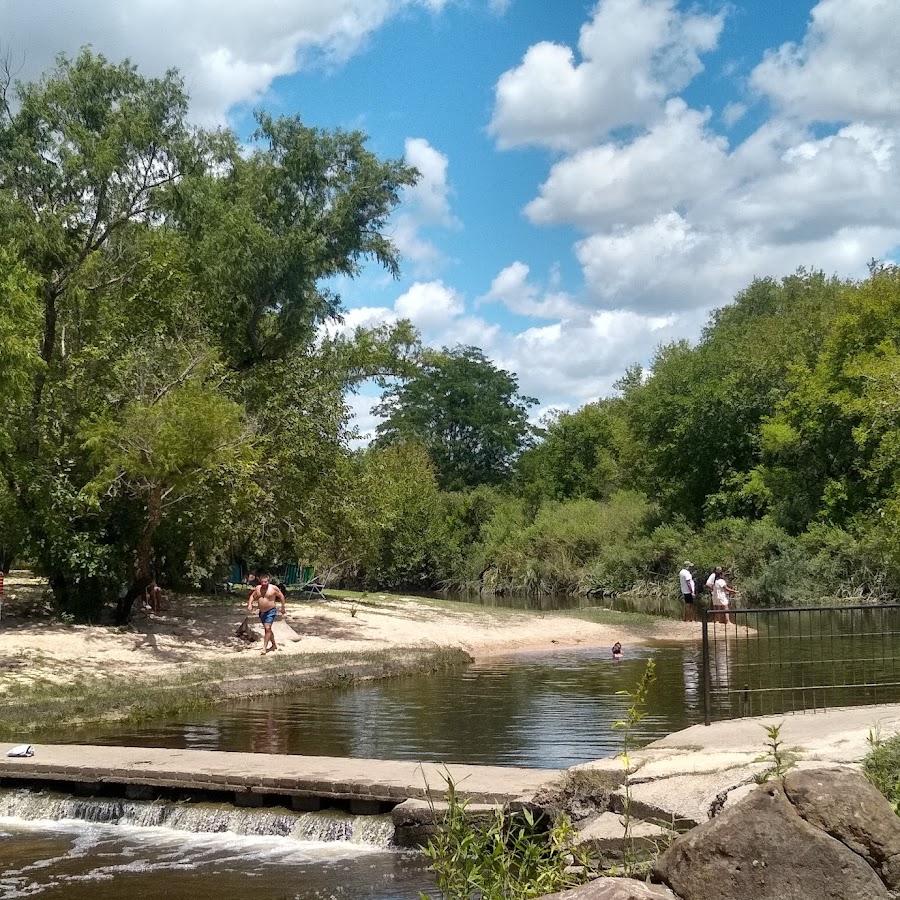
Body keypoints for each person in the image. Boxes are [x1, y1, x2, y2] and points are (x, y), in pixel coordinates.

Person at [247, 573, 286, 654]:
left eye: (265, 582)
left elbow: (281, 596)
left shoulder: (273, 588)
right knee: (268, 629)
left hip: (271, 611)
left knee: (267, 628)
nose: (264, 584)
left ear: (268, 581)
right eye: (262, 582)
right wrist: (250, 604)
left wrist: (283, 607)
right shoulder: (258, 588)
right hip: (262, 612)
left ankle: (264, 648)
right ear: (260, 581)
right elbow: (252, 596)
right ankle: (274, 645)